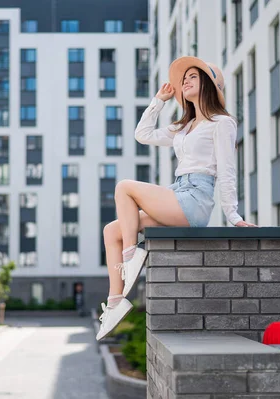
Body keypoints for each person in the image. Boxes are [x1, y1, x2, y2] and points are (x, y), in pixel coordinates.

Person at [96, 56, 257, 341]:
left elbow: (227, 170)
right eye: (184, 78)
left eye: (193, 76)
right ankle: (115, 301)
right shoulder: (184, 127)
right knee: (112, 230)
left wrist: (234, 215)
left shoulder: (222, 123)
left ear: (208, 85)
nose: (185, 80)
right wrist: (159, 100)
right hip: (177, 193)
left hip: (195, 198)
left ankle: (132, 256)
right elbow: (142, 134)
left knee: (124, 187)